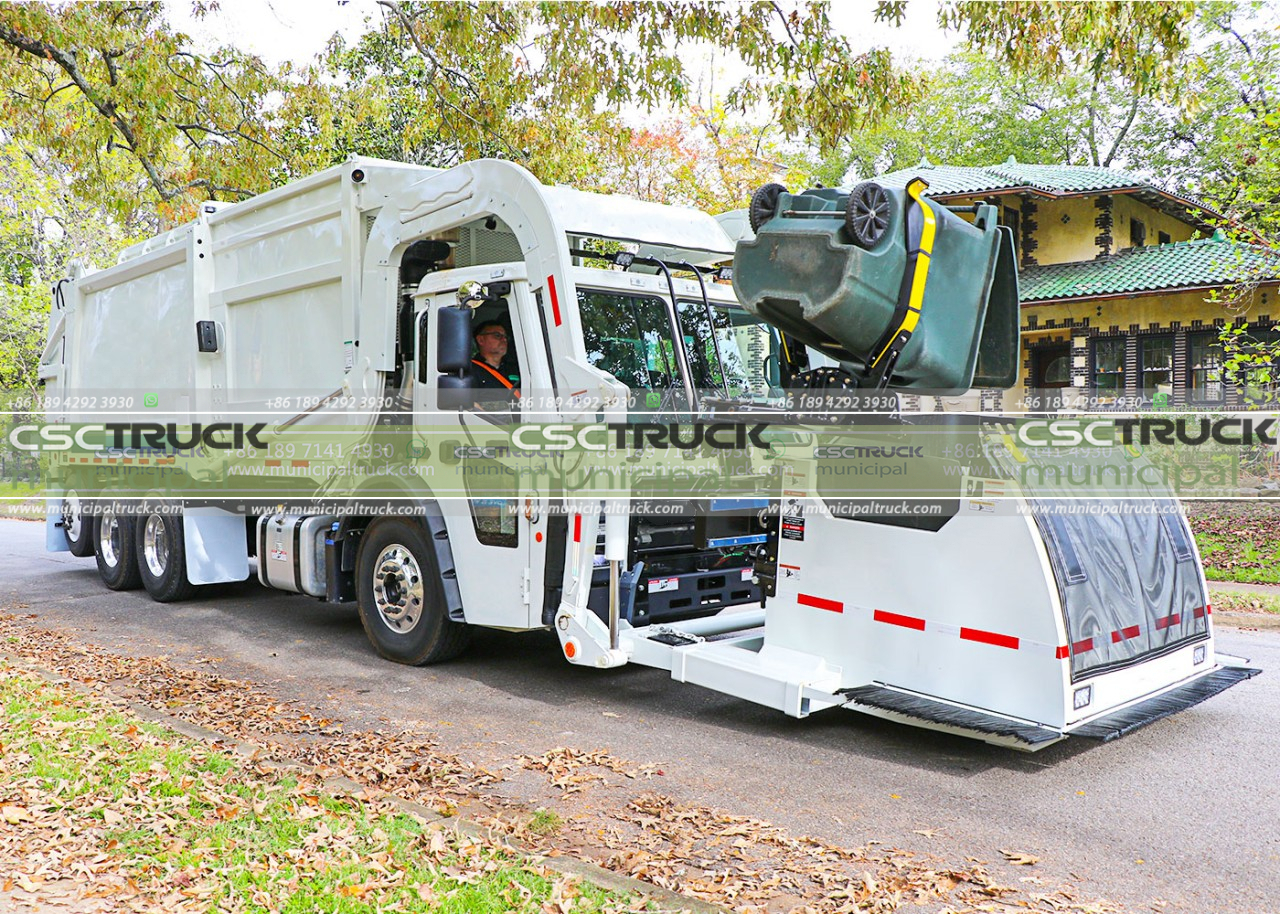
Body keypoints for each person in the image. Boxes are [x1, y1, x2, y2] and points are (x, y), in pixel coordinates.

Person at [471, 319, 521, 406]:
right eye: (497, 335)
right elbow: (469, 405)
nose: (504, 339)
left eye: (506, 337)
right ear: (481, 340)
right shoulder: (470, 370)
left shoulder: (517, 368)